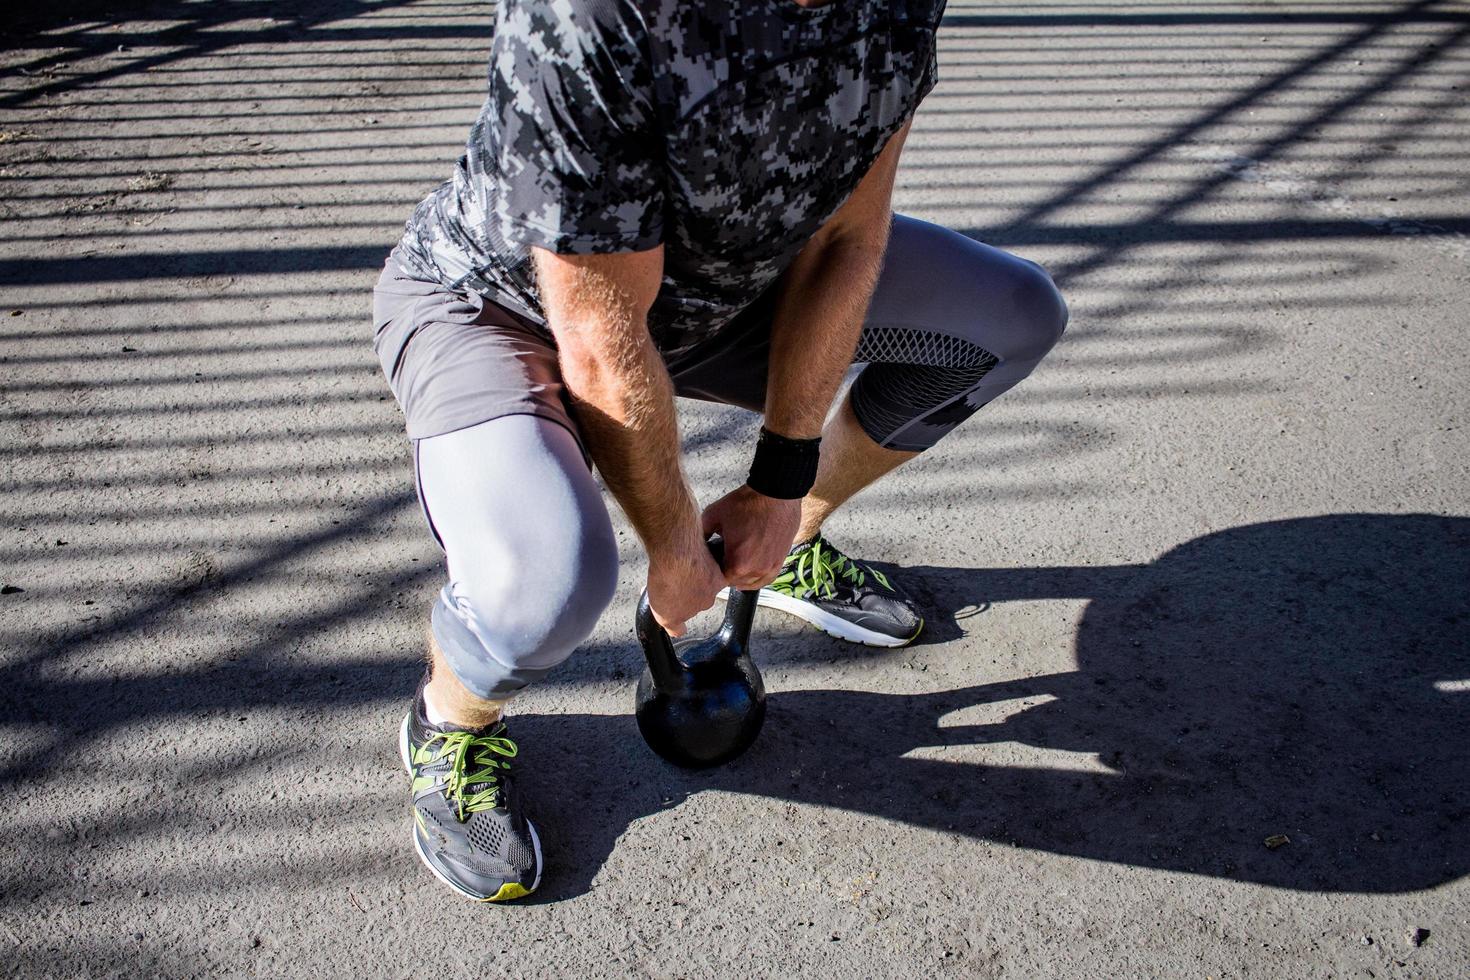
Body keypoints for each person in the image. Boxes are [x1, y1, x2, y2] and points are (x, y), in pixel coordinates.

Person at [373, 0, 1067, 902]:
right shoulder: (596, 15)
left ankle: (786, 552)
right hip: (503, 312)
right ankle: (449, 725)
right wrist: (670, 551)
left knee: (1010, 317)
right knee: (545, 585)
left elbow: (849, 237)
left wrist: (781, 487)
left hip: (723, 306)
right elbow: (594, 331)